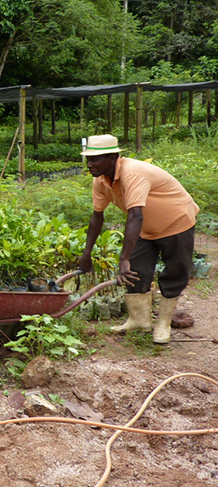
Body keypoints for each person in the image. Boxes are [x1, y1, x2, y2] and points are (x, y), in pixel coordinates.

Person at [77, 134, 199, 344]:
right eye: (88, 159)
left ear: (112, 158)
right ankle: (139, 320)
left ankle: (163, 324)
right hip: (146, 228)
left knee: (175, 271)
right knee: (135, 270)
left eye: (94, 159)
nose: (89, 164)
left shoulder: (132, 173)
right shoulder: (100, 181)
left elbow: (135, 215)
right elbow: (97, 216)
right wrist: (86, 254)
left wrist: (123, 258)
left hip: (176, 222)